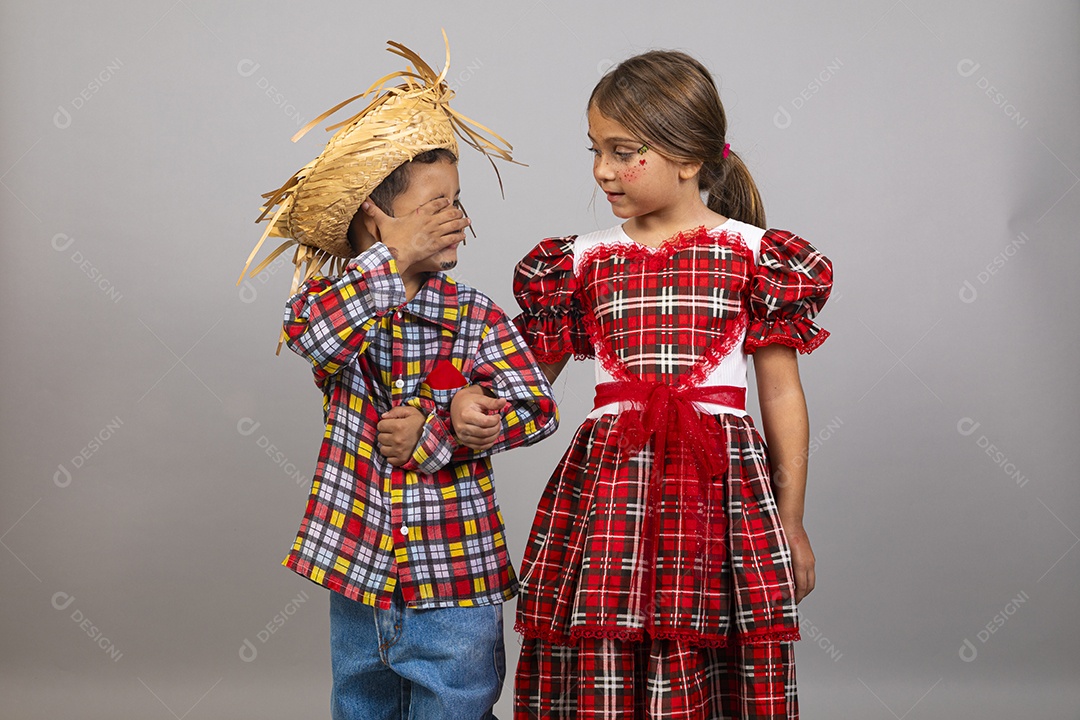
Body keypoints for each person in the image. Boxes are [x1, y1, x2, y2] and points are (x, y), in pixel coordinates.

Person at [239, 35, 558, 720]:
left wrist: (457, 426)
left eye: (460, 200)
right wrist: (390, 262)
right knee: (360, 706)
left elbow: (537, 406)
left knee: (456, 707)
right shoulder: (335, 307)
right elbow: (310, 336)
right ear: (373, 217)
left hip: (455, 579)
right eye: (438, 204)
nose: (460, 219)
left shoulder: (473, 313)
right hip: (358, 576)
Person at [511, 49, 833, 719]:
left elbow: (780, 396)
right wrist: (456, 397)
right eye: (595, 150)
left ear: (688, 158)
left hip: (720, 488)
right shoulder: (579, 261)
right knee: (605, 628)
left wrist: (792, 521)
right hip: (609, 489)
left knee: (713, 634)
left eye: (622, 152)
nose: (602, 169)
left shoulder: (757, 257)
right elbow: (523, 381)